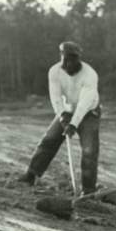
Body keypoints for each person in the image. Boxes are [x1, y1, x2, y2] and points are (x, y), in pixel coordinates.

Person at [17, 41, 100, 194]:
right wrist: (62, 116)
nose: (69, 63)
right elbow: (55, 97)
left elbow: (84, 104)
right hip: (66, 110)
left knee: (89, 151)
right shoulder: (54, 71)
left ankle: (88, 190)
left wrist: (73, 124)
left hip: (88, 113)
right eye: (66, 58)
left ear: (78, 59)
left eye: (73, 59)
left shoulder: (90, 74)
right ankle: (31, 175)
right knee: (49, 140)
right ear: (61, 57)